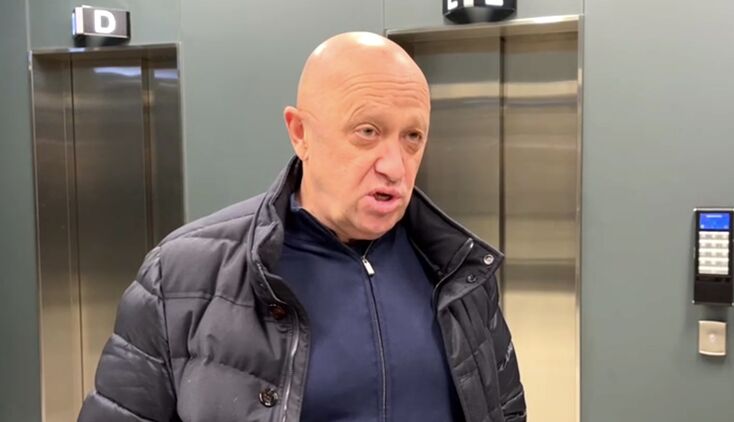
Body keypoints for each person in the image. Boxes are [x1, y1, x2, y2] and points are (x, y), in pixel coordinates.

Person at [78, 31, 526, 422]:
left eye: (412, 137)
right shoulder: (180, 278)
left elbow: (505, 411)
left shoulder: (461, 274)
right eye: (368, 131)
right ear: (300, 133)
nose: (395, 166)